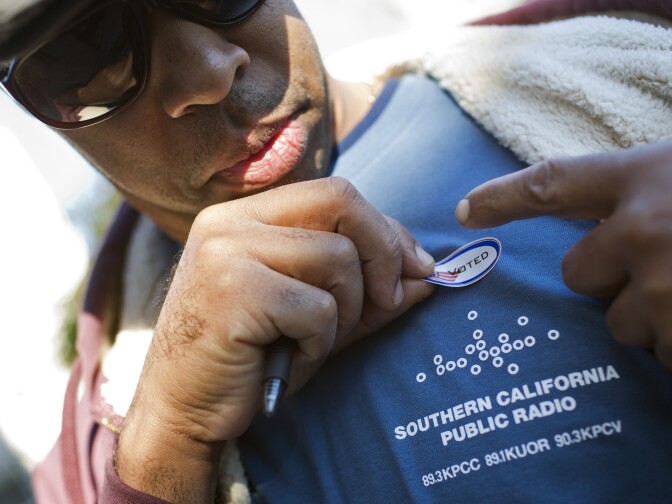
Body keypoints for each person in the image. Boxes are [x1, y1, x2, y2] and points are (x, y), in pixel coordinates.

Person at [1, 0, 671, 503]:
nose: (209, 73)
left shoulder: (629, 99)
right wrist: (169, 440)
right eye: (87, 55)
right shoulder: (98, 448)